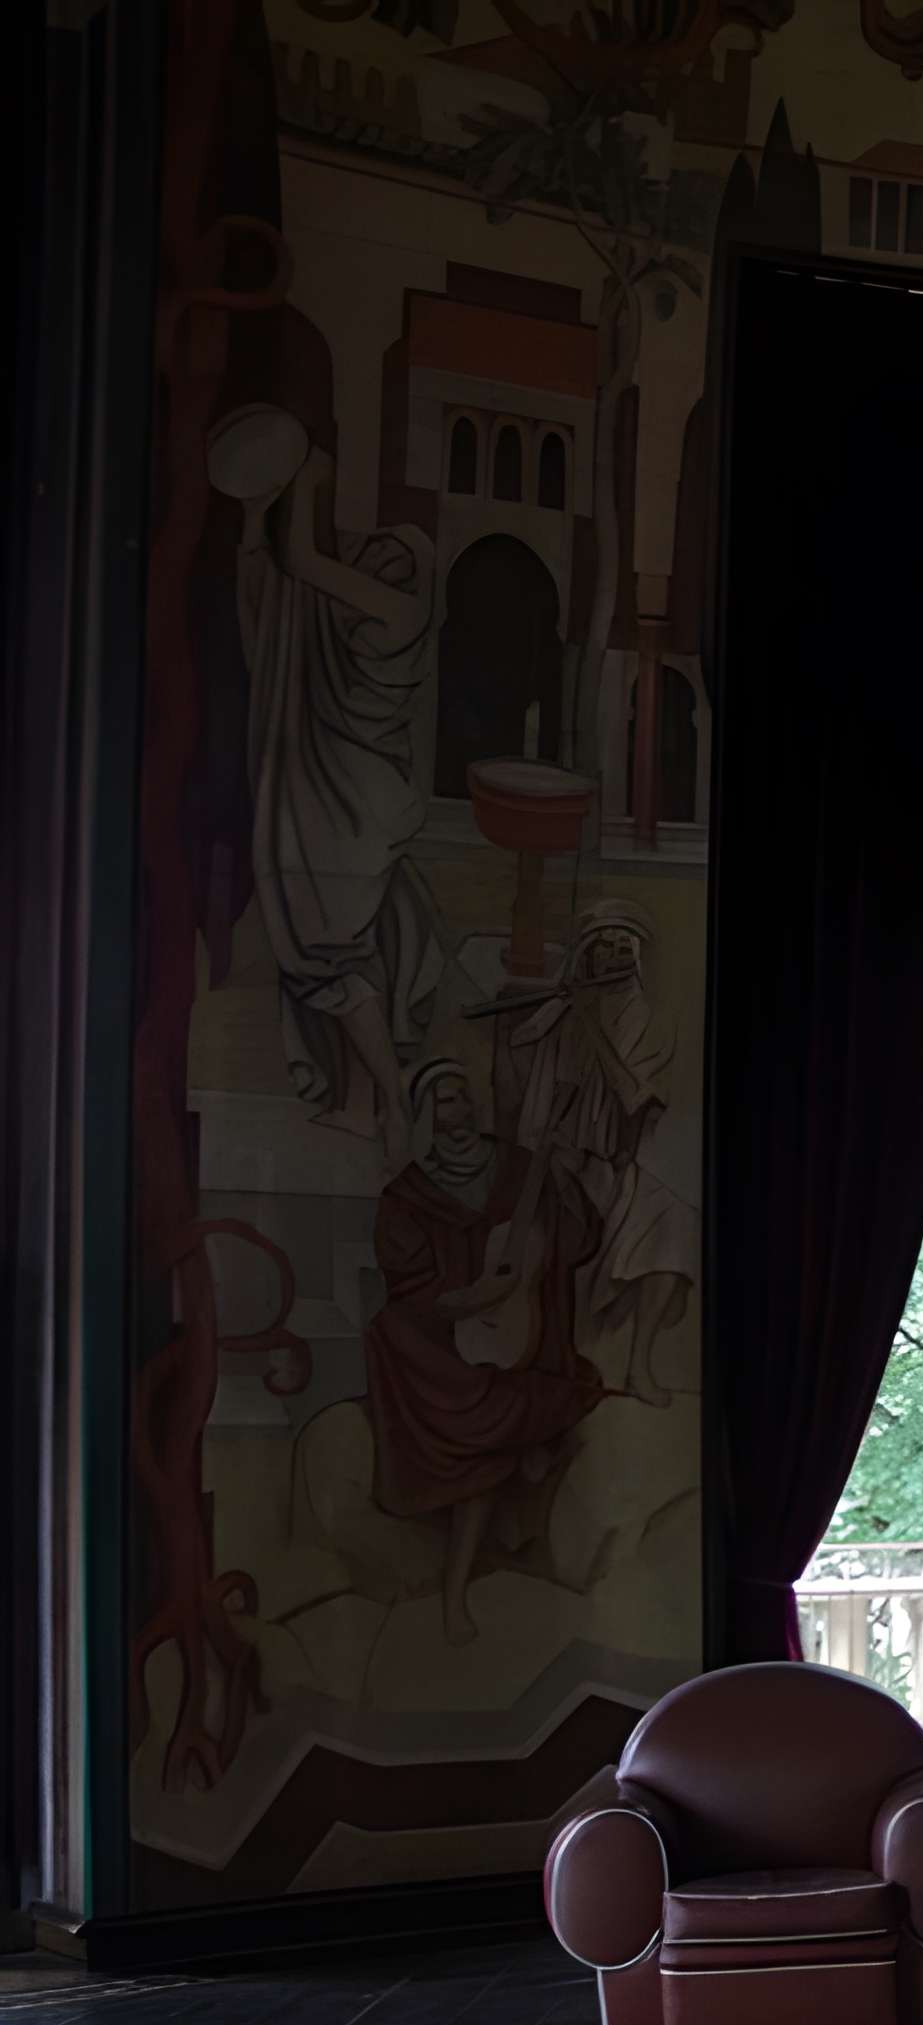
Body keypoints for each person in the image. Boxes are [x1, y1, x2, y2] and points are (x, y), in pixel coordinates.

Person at [235, 423, 444, 1138]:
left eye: (387, 556)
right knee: (351, 951)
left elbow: (297, 560)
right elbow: (281, 588)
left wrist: (301, 483)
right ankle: (381, 1100)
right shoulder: (354, 603)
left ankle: (394, 1099)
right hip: (337, 803)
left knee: (331, 953)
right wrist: (257, 519)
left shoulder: (402, 609)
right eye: (372, 551)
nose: (374, 557)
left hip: (351, 810)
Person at [365, 1056, 603, 1646]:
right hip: (452, 1344)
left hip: (521, 1340)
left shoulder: (520, 1168)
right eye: (445, 1101)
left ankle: (513, 1442)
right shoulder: (407, 1196)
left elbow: (574, 1242)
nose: (460, 1111)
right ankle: (512, 1441)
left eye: (464, 1098)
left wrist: (563, 1176)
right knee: (388, 1332)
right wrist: (468, 1299)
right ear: (426, 1117)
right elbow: (409, 1288)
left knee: (496, 1407)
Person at [498, 901, 694, 1405]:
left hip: (629, 1155)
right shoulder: (567, 1011)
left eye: (619, 948)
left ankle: (638, 1364)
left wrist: (590, 1026)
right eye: (599, 947)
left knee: (672, 1228)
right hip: (569, 1153)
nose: (608, 958)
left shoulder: (650, 1022)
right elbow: (530, 1065)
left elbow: (635, 1098)